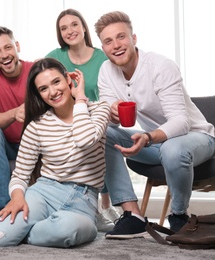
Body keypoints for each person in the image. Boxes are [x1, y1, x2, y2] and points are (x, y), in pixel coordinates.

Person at [94, 11, 215, 238]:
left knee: (172, 147)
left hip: (198, 137)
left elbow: (181, 122)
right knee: (103, 134)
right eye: (108, 41)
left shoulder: (160, 66)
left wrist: (148, 138)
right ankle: (133, 215)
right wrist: (111, 113)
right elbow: (108, 109)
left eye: (121, 37)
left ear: (134, 39)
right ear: (103, 48)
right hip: (157, 143)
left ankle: (179, 216)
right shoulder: (106, 71)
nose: (116, 45)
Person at [0, 58, 110, 248]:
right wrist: (17, 197)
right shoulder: (36, 126)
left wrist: (80, 98)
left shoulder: (99, 109)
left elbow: (84, 139)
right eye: (43, 89)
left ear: (69, 80)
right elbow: (20, 174)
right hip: (44, 192)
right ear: (39, 94)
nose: (53, 92)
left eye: (56, 82)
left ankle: (18, 233)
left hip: (84, 200)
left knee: (68, 230)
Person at [46, 8, 119, 232]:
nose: (70, 31)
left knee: (101, 138)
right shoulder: (54, 58)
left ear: (84, 27)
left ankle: (105, 204)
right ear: (60, 33)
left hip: (98, 119)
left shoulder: (102, 57)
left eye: (74, 24)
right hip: (67, 121)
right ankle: (86, 205)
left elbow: (113, 91)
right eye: (64, 28)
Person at [0, 26, 34, 211]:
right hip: (8, 146)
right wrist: (14, 113)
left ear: (17, 46)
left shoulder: (34, 70)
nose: (4, 55)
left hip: (34, 145)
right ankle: (5, 207)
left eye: (8, 47)